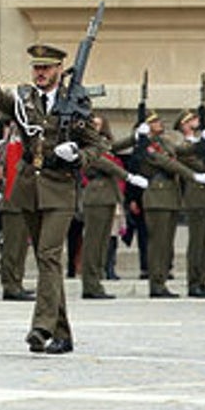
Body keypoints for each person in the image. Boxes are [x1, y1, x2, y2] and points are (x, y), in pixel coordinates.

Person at [0, 44, 101, 354]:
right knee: (45, 260)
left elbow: (97, 146)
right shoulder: (25, 99)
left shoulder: (76, 102)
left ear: (59, 70)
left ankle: (42, 326)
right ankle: (62, 334)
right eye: (37, 68)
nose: (41, 73)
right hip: (28, 187)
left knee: (48, 254)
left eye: (46, 68)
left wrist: (78, 156)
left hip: (60, 186)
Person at [134, 111, 205, 297]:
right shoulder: (148, 145)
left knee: (166, 244)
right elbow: (166, 162)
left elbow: (184, 152)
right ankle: (156, 284)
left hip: (171, 196)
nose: (160, 123)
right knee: (158, 244)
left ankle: (161, 282)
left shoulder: (164, 142)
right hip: (157, 197)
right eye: (155, 121)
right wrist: (193, 175)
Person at [79, 115, 140, 299]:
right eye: (93, 125)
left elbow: (115, 147)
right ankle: (90, 284)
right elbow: (102, 162)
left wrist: (134, 137)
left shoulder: (101, 144)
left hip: (107, 196)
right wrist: (126, 175)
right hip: (96, 196)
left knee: (103, 243)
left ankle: (96, 282)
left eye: (98, 124)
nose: (96, 128)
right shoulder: (86, 146)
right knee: (93, 243)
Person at [173, 109, 205, 297]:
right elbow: (199, 165)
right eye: (192, 119)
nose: (196, 121)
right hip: (196, 195)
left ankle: (203, 281)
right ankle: (194, 283)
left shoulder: (202, 143)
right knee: (197, 242)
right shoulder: (183, 145)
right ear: (184, 125)